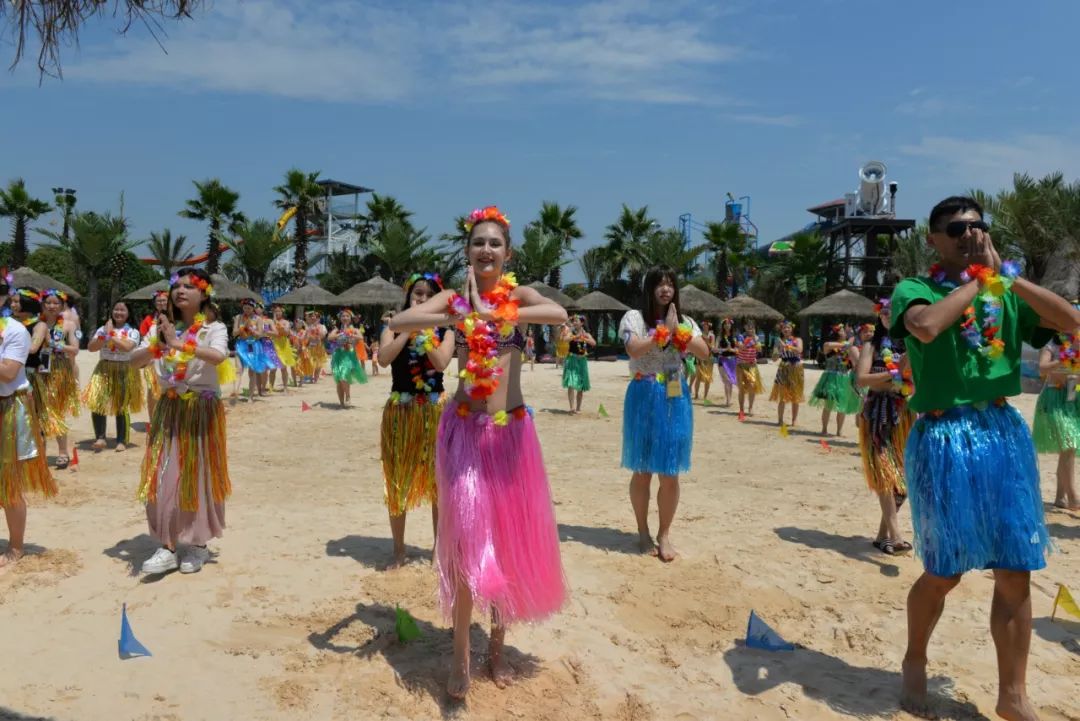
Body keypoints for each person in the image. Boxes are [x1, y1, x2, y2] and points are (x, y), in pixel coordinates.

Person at [890, 196, 1080, 720]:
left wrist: (1007, 279)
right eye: (956, 228)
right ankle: (915, 657)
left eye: (978, 227)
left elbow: (1071, 323)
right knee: (944, 571)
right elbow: (926, 327)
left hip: (1000, 432)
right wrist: (976, 279)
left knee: (1015, 567)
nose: (969, 235)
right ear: (933, 238)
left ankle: (1013, 696)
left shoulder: (1005, 292)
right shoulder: (916, 288)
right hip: (944, 435)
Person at [389, 205, 566, 700]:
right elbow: (402, 317)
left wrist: (496, 313)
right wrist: (456, 314)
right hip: (466, 432)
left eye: (494, 244)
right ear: (467, 251)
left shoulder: (518, 295)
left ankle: (497, 649)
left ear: (507, 254)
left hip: (511, 435)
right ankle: (462, 656)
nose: (485, 250)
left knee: (506, 544)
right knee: (470, 546)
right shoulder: (453, 297)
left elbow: (559, 313)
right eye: (477, 243)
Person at [131, 268, 231, 575]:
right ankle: (168, 545)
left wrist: (177, 344)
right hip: (170, 408)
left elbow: (218, 356)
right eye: (177, 286)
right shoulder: (161, 329)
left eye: (189, 286)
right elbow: (134, 362)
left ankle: (198, 544)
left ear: (204, 295)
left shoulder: (213, 328)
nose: (181, 291)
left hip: (201, 410)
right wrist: (158, 345)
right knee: (163, 477)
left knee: (198, 477)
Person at [619, 266, 711, 562]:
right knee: (643, 469)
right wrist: (662, 334)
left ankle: (664, 534)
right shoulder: (633, 317)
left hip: (674, 391)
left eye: (671, 284)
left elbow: (705, 352)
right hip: (644, 391)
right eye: (659, 283)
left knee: (670, 472)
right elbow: (633, 349)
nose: (665, 288)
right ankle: (643, 531)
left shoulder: (686, 321)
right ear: (649, 288)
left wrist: (679, 331)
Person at [378, 273, 455, 568]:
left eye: (428, 295)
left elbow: (441, 363)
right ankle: (399, 550)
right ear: (408, 297)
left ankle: (439, 548)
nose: (421, 299)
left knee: (439, 483)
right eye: (417, 294)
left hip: (435, 411)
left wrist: (424, 333)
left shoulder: (447, 330)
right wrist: (407, 332)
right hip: (401, 412)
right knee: (397, 480)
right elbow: (384, 358)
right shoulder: (392, 325)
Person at [854, 302, 914, 555]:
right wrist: (894, 377)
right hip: (877, 412)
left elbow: (916, 379)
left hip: (905, 414)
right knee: (884, 472)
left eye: (894, 311)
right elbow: (862, 379)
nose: (889, 315)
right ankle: (896, 535)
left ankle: (882, 535)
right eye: (885, 311)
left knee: (903, 478)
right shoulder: (872, 345)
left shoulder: (911, 345)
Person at [0, 308, 57, 569]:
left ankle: (16, 546)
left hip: (9, 407)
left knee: (8, 482)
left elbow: (9, 372)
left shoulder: (14, 330)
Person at [28, 289, 79, 469]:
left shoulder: (68, 325)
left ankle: (63, 452)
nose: (51, 306)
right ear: (42, 305)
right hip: (38, 371)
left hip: (59, 371)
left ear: (62, 305)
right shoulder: (34, 324)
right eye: (48, 303)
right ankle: (39, 453)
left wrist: (55, 345)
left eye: (55, 303)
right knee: (37, 413)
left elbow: (75, 349)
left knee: (56, 412)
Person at [84, 300, 143, 451]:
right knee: (97, 401)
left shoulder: (133, 332)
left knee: (121, 405)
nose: (118, 313)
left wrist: (110, 334)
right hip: (104, 368)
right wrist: (104, 335)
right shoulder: (102, 330)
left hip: (124, 369)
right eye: (116, 310)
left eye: (122, 310)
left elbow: (127, 347)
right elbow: (91, 348)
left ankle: (122, 440)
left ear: (128, 313)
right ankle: (100, 438)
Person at [1032, 328, 1080, 511]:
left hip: (1075, 395)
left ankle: (1061, 496)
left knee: (1068, 449)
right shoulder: (1052, 344)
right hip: (1054, 396)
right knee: (1069, 445)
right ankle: (1073, 497)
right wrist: (1064, 361)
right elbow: (1042, 369)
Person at [809, 324, 861, 435]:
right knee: (828, 404)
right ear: (837, 333)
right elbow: (828, 345)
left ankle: (839, 431)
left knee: (842, 405)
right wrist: (848, 342)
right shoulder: (828, 345)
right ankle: (824, 429)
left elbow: (855, 362)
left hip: (844, 377)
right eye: (842, 330)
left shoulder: (849, 348)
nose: (845, 332)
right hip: (831, 377)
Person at [328, 309, 367, 407]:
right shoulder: (337, 329)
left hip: (349, 355)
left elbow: (361, 338)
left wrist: (350, 334)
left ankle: (348, 396)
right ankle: (341, 403)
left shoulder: (355, 329)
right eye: (343, 316)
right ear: (340, 318)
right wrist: (340, 334)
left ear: (351, 318)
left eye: (347, 316)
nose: (345, 318)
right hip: (338, 355)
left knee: (344, 376)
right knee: (339, 380)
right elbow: (329, 338)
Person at [140, 291, 169, 420]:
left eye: (164, 300)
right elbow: (143, 339)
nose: (161, 303)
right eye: (159, 301)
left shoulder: (177, 318)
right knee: (152, 391)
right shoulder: (148, 320)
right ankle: (153, 421)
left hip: (171, 360)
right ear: (155, 303)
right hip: (152, 359)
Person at [769, 320, 804, 426]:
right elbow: (774, 359)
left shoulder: (797, 339)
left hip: (796, 368)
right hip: (783, 368)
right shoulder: (778, 341)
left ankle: (794, 420)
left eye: (788, 327)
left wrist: (786, 346)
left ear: (791, 329)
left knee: (796, 395)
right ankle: (780, 420)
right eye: (784, 328)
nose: (786, 329)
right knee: (782, 395)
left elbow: (799, 350)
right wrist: (778, 350)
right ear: (781, 330)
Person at [233, 299, 267, 400]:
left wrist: (252, 330)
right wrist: (242, 328)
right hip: (240, 345)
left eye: (249, 308)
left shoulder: (258, 319)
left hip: (253, 345)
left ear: (253, 308)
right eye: (245, 308)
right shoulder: (238, 317)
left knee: (252, 372)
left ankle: (250, 397)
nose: (246, 310)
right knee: (238, 370)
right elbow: (234, 333)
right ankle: (235, 393)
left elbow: (260, 334)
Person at [562, 314, 595, 414]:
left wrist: (584, 338)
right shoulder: (570, 332)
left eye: (577, 321)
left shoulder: (586, 334)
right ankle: (572, 407)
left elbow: (594, 343)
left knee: (581, 385)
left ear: (582, 323)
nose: (575, 323)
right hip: (572, 359)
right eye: (574, 321)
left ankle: (578, 408)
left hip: (582, 361)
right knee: (571, 383)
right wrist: (575, 336)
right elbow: (565, 339)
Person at [735, 320, 763, 417]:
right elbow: (741, 347)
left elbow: (759, 349)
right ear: (745, 327)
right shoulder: (741, 336)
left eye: (752, 327)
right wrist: (751, 340)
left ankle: (750, 408)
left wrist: (754, 338)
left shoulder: (757, 338)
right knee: (741, 389)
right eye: (748, 326)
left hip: (751, 366)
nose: (750, 328)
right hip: (741, 366)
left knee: (752, 387)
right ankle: (741, 409)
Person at [268, 304, 296, 392]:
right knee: (273, 368)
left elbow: (287, 333)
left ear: (282, 312)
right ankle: (271, 387)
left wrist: (277, 323)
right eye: (275, 311)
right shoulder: (269, 322)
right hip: (273, 344)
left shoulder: (286, 322)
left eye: (279, 311)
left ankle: (285, 387)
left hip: (283, 345)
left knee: (283, 367)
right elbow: (266, 332)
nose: (277, 313)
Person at [692, 320, 717, 401]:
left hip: (709, 358)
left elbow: (712, 347)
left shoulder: (712, 336)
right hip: (699, 357)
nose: (705, 326)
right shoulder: (699, 335)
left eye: (706, 325)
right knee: (698, 377)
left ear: (709, 326)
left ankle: (705, 396)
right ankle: (696, 395)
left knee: (708, 378)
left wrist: (706, 341)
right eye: (704, 325)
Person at [716, 317, 737, 407]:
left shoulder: (734, 337)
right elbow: (715, 349)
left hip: (732, 360)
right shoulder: (719, 337)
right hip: (722, 360)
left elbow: (737, 349)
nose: (727, 325)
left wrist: (731, 349)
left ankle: (729, 399)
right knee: (726, 380)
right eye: (725, 324)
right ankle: (728, 400)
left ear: (731, 325)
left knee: (731, 380)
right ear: (723, 326)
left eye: (729, 324)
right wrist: (725, 349)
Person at [305, 310, 328, 383]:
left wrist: (317, 333)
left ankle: (315, 378)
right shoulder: (309, 327)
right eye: (312, 317)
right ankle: (311, 377)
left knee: (318, 364)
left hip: (319, 346)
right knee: (311, 362)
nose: (313, 318)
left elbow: (323, 335)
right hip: (311, 346)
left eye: (315, 317)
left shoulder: (322, 326)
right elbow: (307, 337)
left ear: (319, 318)